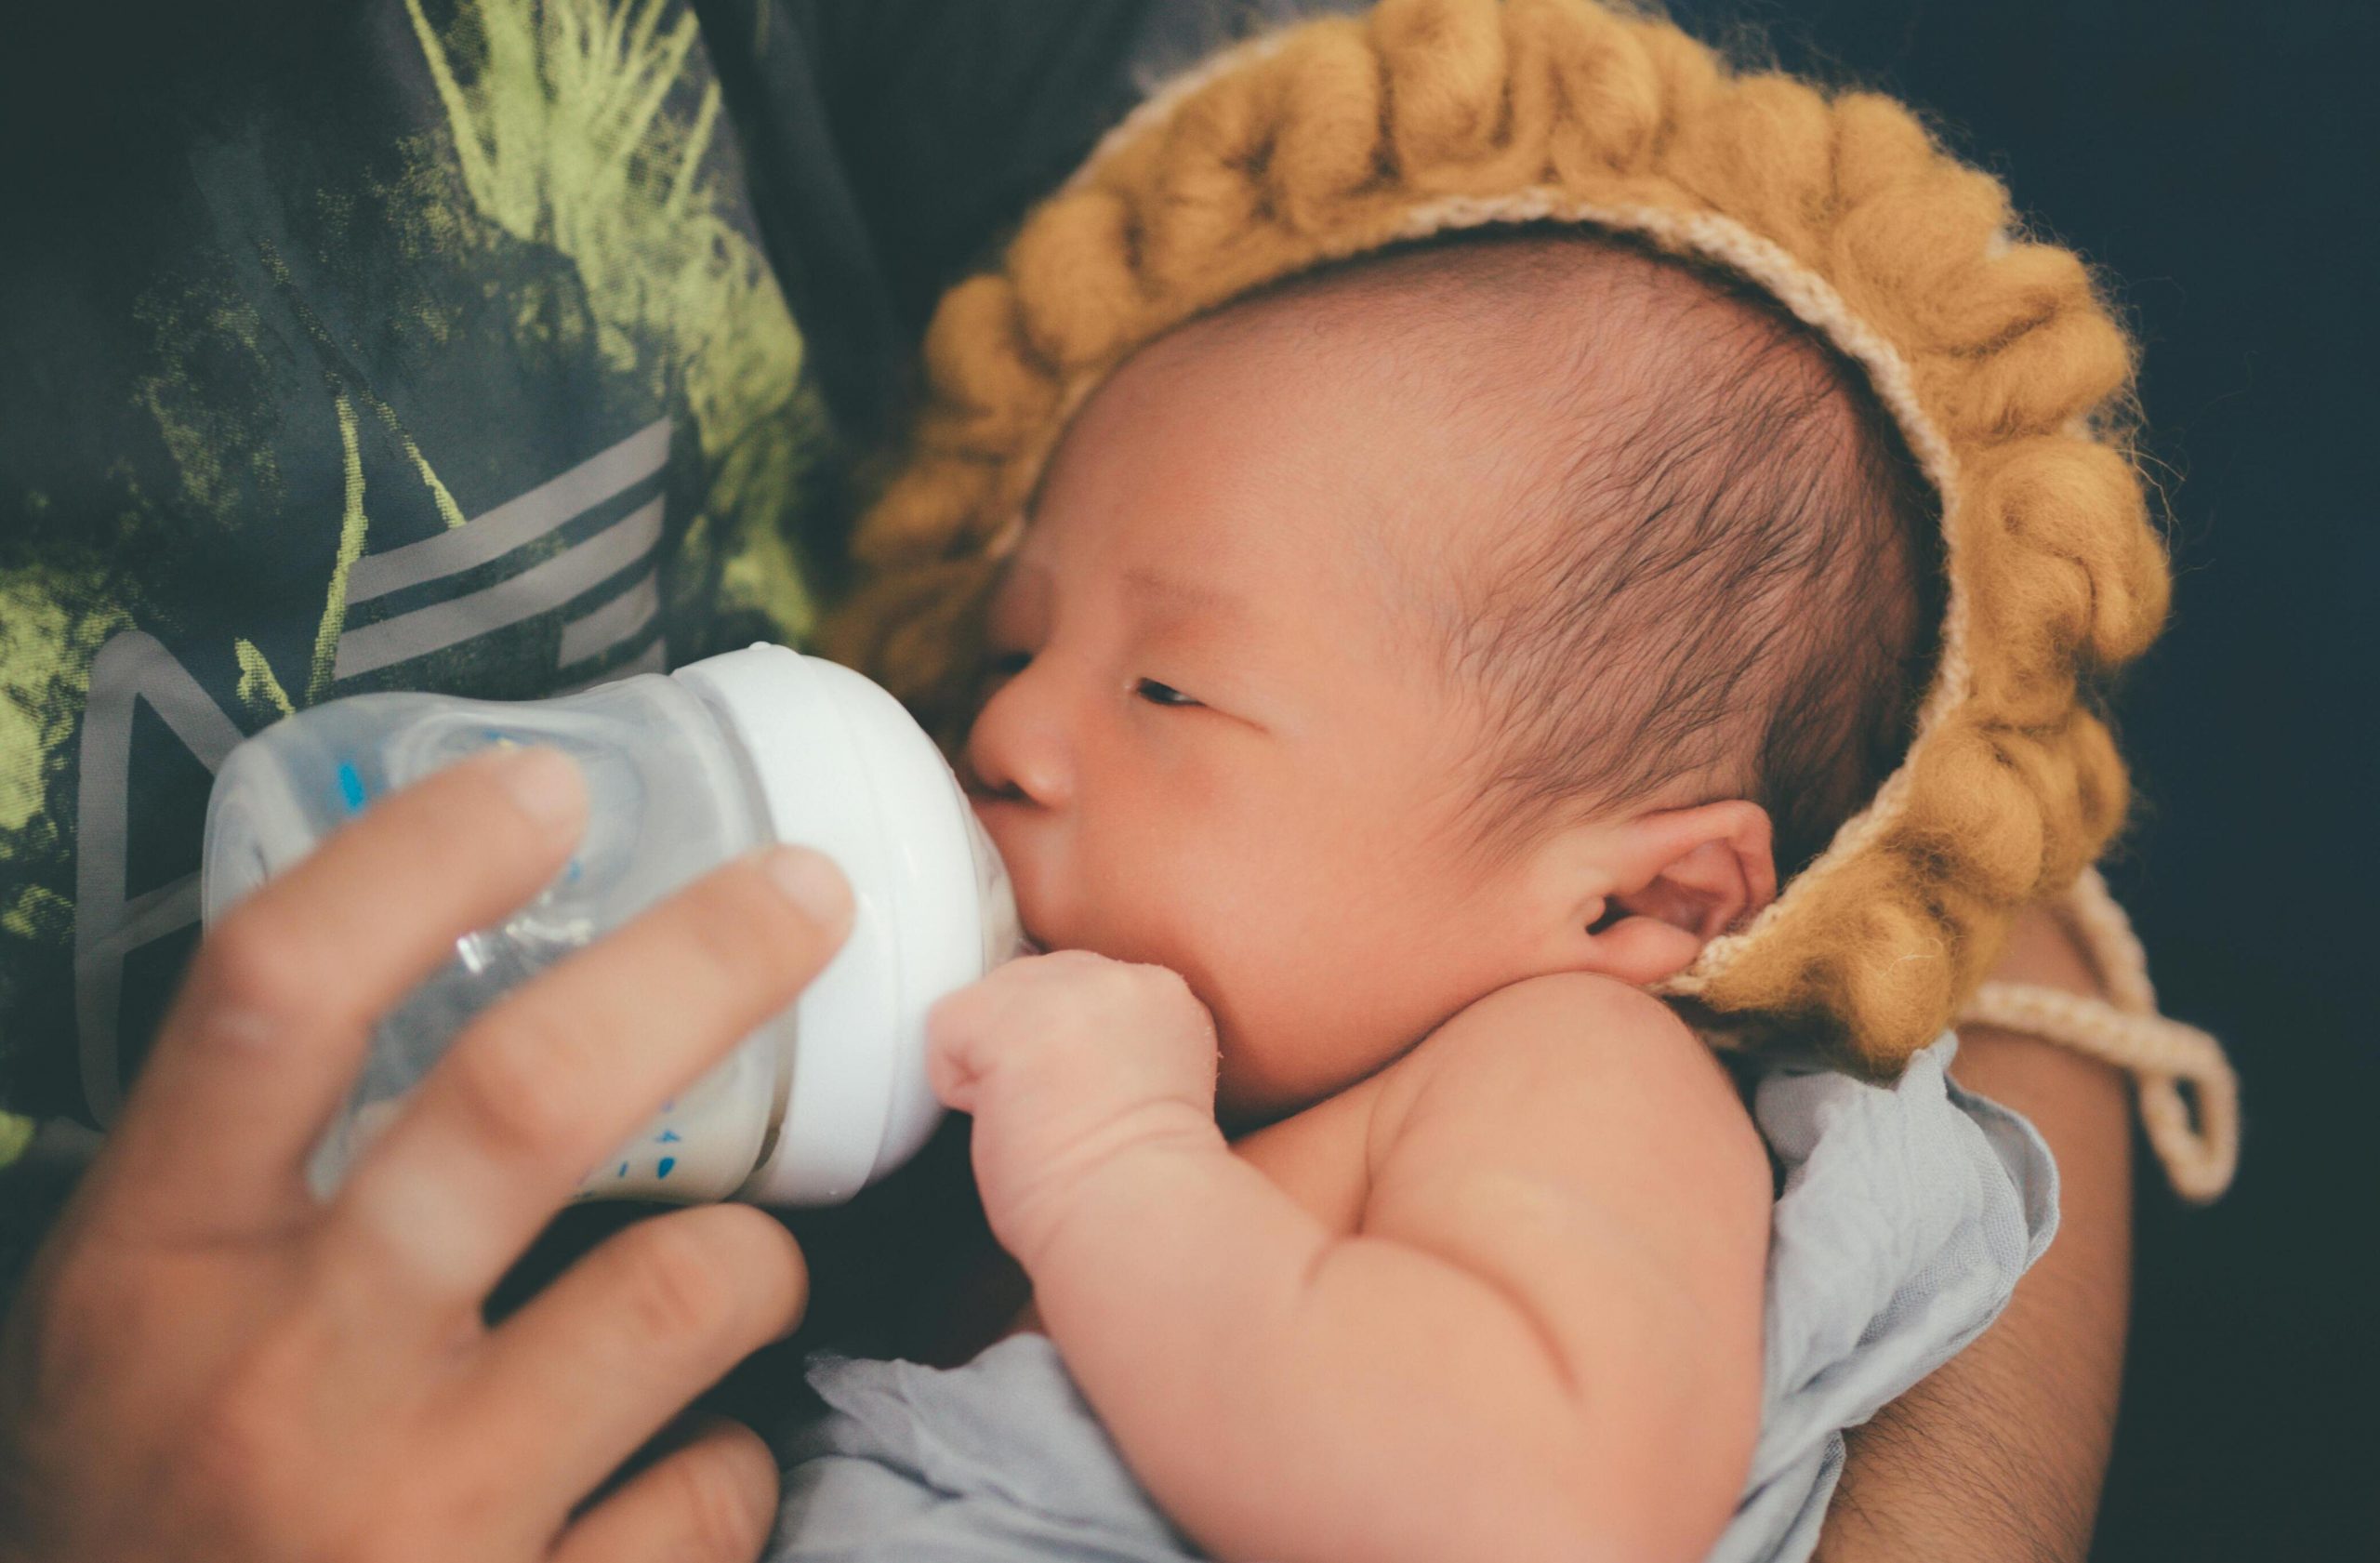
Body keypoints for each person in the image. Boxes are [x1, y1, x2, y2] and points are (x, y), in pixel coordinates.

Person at [0, 3, 2148, 1560]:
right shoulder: (1144, 1118)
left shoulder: (1557, 1081)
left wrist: (1113, 1155)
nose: (1002, 732)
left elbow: (1519, 1509)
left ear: (1636, 905)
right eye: (1018, 647)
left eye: (1171, 692)